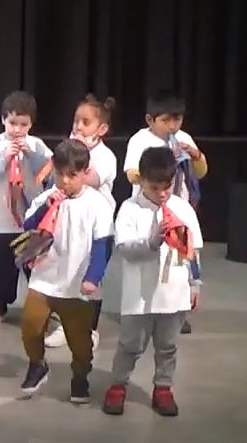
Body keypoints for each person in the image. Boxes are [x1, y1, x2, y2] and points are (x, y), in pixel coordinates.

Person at [103, 147, 203, 417]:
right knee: (130, 345)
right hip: (139, 294)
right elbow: (124, 248)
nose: (161, 194)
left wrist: (195, 283)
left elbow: (192, 250)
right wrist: (152, 242)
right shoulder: (130, 209)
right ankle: (118, 386)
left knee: (168, 346)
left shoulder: (182, 208)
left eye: (166, 187)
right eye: (154, 187)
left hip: (173, 293)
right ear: (141, 180)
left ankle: (163, 387)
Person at [17, 139, 113, 404]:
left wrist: (93, 278)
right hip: (44, 279)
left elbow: (103, 244)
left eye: (72, 175)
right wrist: (46, 206)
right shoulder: (46, 198)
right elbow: (28, 225)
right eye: (60, 174)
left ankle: (80, 376)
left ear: (85, 173)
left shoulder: (97, 204)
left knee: (80, 343)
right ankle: (37, 365)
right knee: (30, 326)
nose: (65, 181)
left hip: (77, 285)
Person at [123, 91, 207, 334]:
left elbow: (201, 172)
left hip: (179, 207)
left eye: (177, 119)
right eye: (166, 120)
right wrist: (158, 169)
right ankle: (146, 309)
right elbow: (130, 173)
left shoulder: (184, 138)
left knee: (182, 258)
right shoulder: (140, 140)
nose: (172, 126)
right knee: (153, 259)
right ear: (150, 120)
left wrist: (195, 155)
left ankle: (179, 309)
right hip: (149, 208)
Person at [0, 91, 52, 327]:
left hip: (31, 221)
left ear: (31, 124)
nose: (17, 129)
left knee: (36, 266)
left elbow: (51, 175)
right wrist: (3, 159)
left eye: (23, 124)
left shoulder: (36, 145)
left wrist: (31, 155)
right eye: (12, 123)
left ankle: (43, 308)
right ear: (3, 120)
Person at [46, 94, 117, 349]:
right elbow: (54, 178)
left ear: (102, 129)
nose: (78, 126)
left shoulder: (105, 156)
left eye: (86, 122)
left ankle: (90, 329)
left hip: (95, 227)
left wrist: (79, 154)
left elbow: (91, 179)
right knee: (66, 272)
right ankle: (64, 325)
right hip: (69, 222)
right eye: (76, 121)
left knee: (90, 276)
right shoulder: (68, 149)